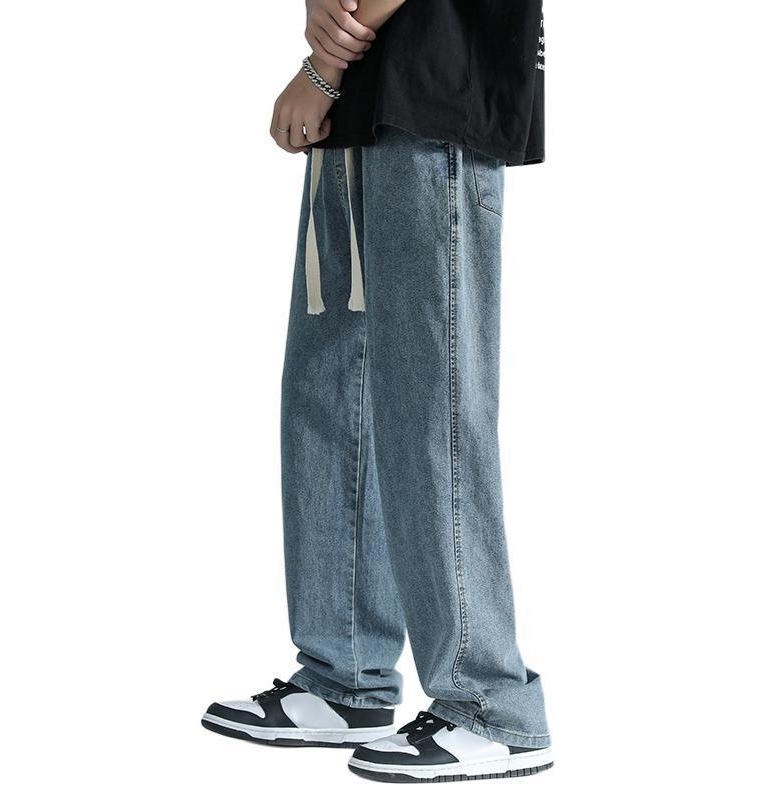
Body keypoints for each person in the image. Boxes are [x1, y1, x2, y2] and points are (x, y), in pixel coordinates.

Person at [202, 1, 552, 780]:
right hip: (369, 98)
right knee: (332, 391)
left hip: (433, 91)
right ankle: (345, 673)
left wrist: (323, 66)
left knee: (430, 404)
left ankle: (490, 703)